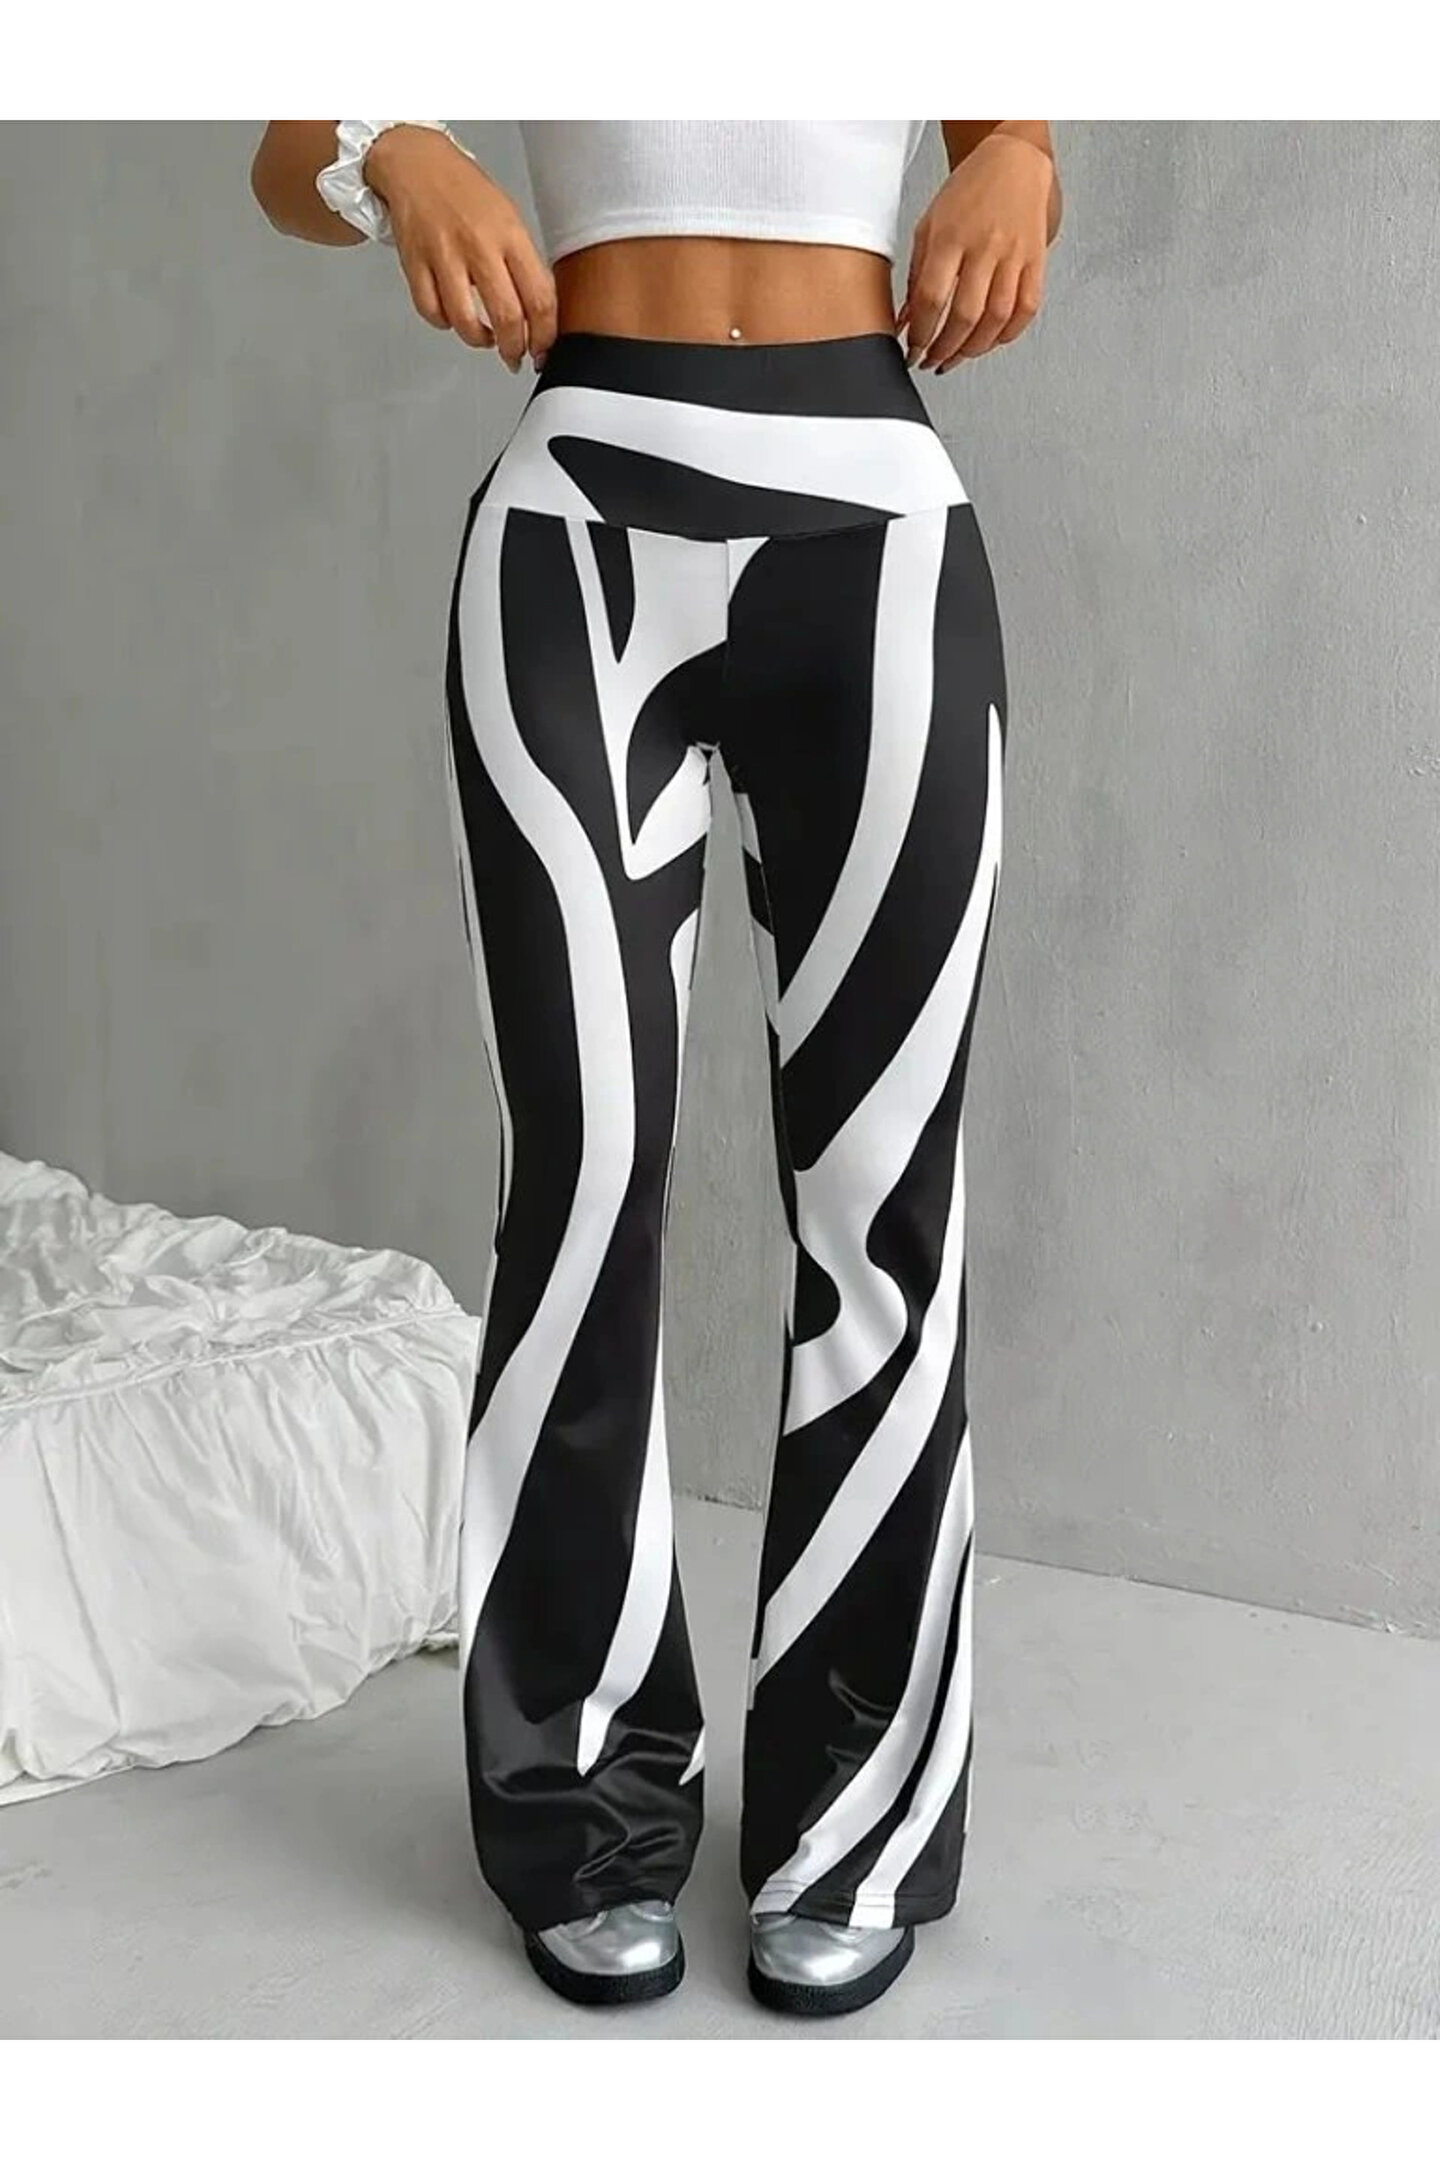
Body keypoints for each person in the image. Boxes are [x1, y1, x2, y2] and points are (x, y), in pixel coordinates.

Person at [250, 117, 1062, 2019]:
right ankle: (584, 1816)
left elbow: (1011, 124)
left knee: (883, 1211)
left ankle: (853, 1826)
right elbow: (286, 152)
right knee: (584, 1181)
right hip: (574, 537)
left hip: (877, 538)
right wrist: (395, 155)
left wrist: (1024, 151)